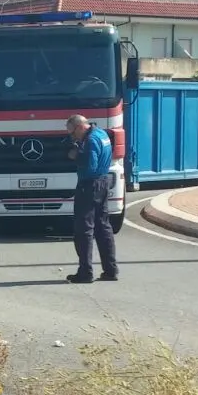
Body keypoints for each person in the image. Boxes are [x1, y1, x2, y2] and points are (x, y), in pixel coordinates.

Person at [64, 114, 118, 284]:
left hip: (89, 185)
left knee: (84, 229)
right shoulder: (102, 134)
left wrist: (75, 155)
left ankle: (85, 272)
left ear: (80, 127)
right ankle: (110, 270)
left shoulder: (90, 141)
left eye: (72, 133)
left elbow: (90, 165)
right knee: (103, 227)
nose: (73, 137)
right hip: (103, 182)